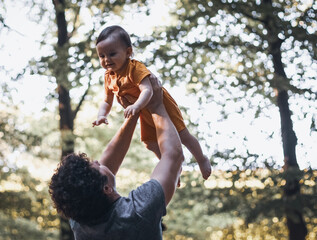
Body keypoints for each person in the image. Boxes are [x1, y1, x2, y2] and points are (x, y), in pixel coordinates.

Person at [49, 75, 184, 239]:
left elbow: (106, 167)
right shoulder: (138, 212)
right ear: (106, 189)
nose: (99, 161)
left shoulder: (80, 219)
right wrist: (157, 106)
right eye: (97, 166)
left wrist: (133, 114)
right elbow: (173, 156)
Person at [92, 25, 211, 180]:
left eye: (112, 54)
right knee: (150, 143)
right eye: (101, 56)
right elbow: (107, 101)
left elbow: (147, 90)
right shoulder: (109, 77)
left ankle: (202, 159)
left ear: (128, 52)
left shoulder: (134, 68)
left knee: (182, 135)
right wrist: (102, 115)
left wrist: (136, 105)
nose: (106, 60)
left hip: (160, 105)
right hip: (143, 112)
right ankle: (171, 166)